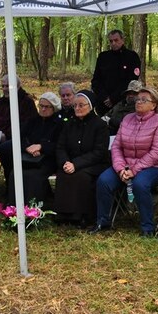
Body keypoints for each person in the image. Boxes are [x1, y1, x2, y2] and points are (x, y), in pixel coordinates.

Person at [91, 86, 158, 236]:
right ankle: (103, 222)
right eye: (137, 99)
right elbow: (117, 146)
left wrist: (134, 169)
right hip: (125, 166)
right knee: (104, 180)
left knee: (140, 183)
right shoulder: (127, 119)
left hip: (153, 166)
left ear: (154, 104)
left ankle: (148, 227)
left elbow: (157, 152)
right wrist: (120, 168)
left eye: (144, 100)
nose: (138, 102)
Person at [54, 90, 110, 224]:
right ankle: (63, 215)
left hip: (95, 164)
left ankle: (81, 216)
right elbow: (60, 147)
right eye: (75, 106)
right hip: (71, 163)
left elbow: (99, 152)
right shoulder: (69, 124)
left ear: (90, 107)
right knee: (63, 174)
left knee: (81, 176)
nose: (77, 108)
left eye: (81, 105)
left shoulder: (100, 125)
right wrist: (65, 162)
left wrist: (76, 164)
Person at [0, 91, 63, 205]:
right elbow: (19, 138)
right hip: (28, 157)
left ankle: (33, 208)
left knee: (34, 176)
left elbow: (60, 145)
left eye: (47, 107)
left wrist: (41, 147)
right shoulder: (33, 120)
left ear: (54, 108)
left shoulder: (59, 123)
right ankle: (14, 206)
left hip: (48, 158)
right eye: (41, 106)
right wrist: (28, 148)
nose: (43, 109)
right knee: (15, 173)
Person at [91, 29, 142, 116]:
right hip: (103, 102)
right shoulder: (103, 57)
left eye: (116, 40)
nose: (113, 43)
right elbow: (96, 80)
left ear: (122, 40)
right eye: (111, 41)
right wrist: (104, 97)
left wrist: (114, 98)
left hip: (123, 102)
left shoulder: (132, 56)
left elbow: (131, 81)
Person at [0, 75, 38, 142]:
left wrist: (6, 135)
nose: (4, 89)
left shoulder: (27, 102)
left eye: (8, 86)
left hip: (15, 140)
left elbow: (26, 125)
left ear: (17, 86)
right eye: (3, 86)